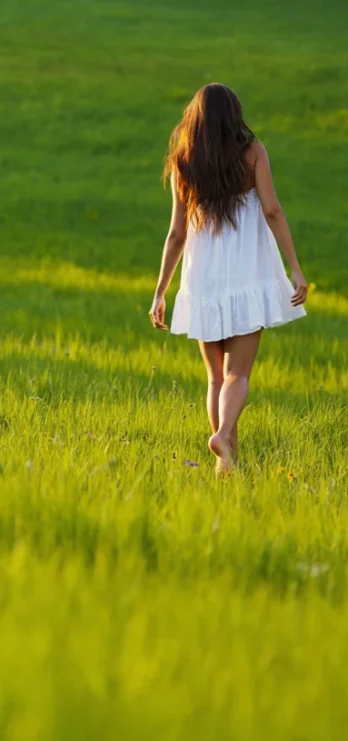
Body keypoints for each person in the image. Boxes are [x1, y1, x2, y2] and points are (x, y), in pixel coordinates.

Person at [149, 83, 308, 475]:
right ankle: (222, 437)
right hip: (246, 273)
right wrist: (294, 267)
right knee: (238, 373)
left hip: (203, 277)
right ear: (234, 115)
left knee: (215, 376)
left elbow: (176, 234)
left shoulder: (183, 162)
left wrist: (160, 292)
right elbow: (271, 210)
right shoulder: (253, 153)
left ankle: (228, 463)